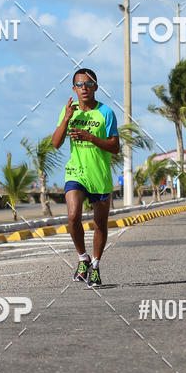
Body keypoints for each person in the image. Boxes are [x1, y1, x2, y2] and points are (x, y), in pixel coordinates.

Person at [52, 68, 120, 288]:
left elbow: (115, 147)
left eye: (88, 84)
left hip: (99, 175)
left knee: (100, 224)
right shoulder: (69, 112)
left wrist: (90, 137)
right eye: (79, 85)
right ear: (74, 88)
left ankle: (96, 265)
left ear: (96, 88)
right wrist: (66, 120)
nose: (84, 88)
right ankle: (83, 258)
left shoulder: (106, 113)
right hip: (76, 172)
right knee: (73, 216)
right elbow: (55, 143)